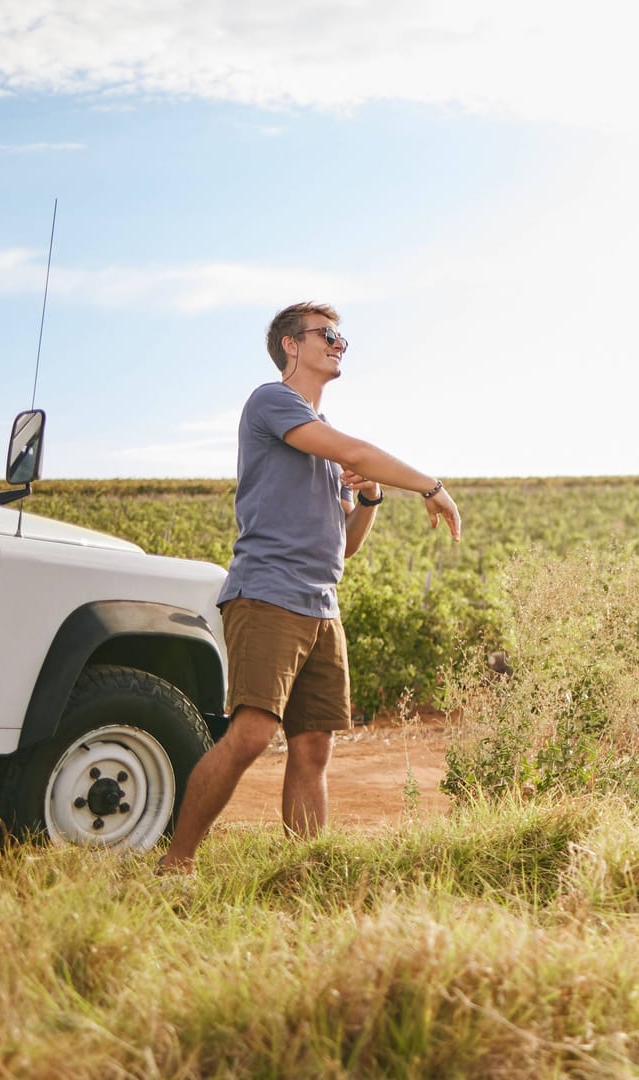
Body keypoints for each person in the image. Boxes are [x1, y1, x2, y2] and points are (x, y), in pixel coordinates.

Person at [157, 302, 462, 873]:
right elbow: (354, 450)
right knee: (251, 733)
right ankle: (176, 864)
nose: (339, 344)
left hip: (322, 604)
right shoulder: (273, 403)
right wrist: (430, 486)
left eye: (342, 337)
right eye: (328, 335)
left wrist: (370, 496)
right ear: (291, 346)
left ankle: (306, 871)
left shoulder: (320, 446)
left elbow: (345, 545)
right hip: (269, 592)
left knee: (314, 746)